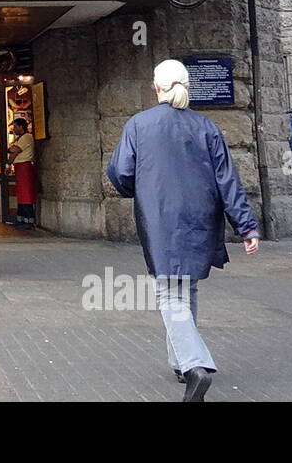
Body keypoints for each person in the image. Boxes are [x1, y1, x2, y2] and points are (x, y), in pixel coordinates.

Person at [106, 59, 259, 402]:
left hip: (160, 215)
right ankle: (180, 363)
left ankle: (195, 364)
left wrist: (140, 188)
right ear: (187, 85)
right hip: (202, 216)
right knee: (186, 288)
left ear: (156, 87)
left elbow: (120, 172)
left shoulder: (139, 125)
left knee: (168, 293)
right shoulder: (206, 126)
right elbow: (228, 181)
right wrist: (247, 226)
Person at [7, 118, 37, 228]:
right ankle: (21, 218)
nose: (14, 129)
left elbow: (14, 150)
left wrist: (9, 160)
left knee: (26, 193)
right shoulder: (19, 138)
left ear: (21, 126)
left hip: (25, 166)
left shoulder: (26, 137)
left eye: (15, 126)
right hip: (19, 167)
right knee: (21, 193)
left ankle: (29, 220)